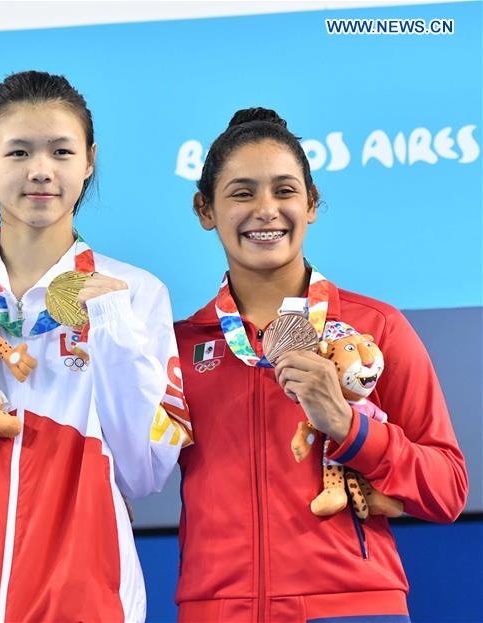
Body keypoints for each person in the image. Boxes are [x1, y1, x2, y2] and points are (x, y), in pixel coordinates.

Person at [0, 70, 192, 623]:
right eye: (18, 151)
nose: (41, 170)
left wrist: (113, 330)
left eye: (61, 151)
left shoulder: (135, 294)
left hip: (88, 603)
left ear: (89, 160)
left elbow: (144, 474)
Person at [173, 107, 468, 622]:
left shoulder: (375, 327)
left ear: (310, 204)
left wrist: (351, 428)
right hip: (216, 610)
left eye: (285, 191)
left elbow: (447, 490)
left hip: (349, 607)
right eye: (242, 193)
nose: (266, 209)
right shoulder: (178, 345)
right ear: (205, 209)